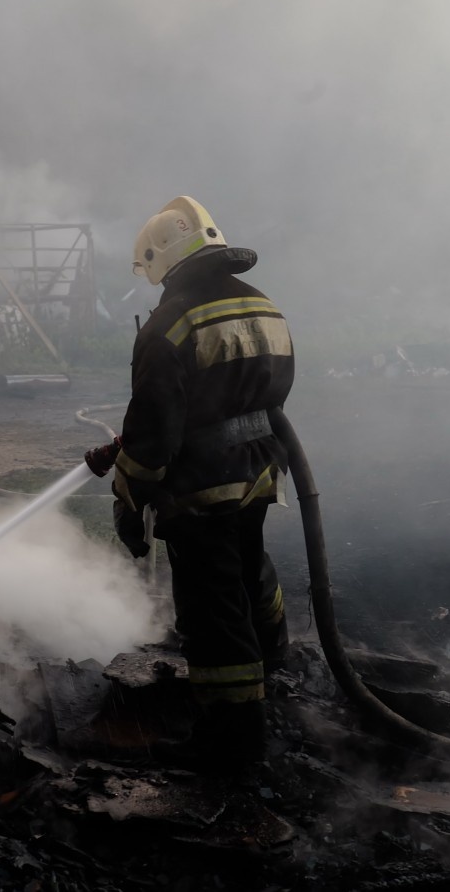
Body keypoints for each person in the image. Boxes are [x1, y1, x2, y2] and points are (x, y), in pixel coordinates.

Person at [104, 196, 294, 771]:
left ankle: (233, 741)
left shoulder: (169, 325)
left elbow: (154, 436)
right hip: (259, 473)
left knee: (212, 612)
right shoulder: (264, 305)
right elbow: (268, 395)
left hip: (200, 488)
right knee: (247, 569)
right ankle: (275, 672)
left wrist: (128, 499)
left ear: (160, 260)